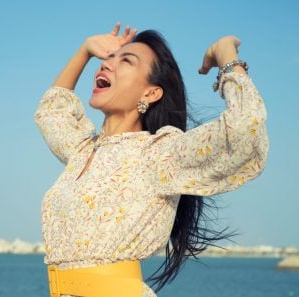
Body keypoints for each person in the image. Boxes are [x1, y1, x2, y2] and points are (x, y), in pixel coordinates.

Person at [34, 22, 268, 297]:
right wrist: (85, 51)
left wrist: (226, 55)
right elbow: (52, 111)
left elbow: (244, 128)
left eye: (126, 61)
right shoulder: (84, 150)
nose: (106, 65)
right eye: (107, 59)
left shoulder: (160, 154)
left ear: (151, 93)